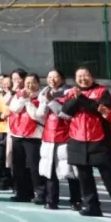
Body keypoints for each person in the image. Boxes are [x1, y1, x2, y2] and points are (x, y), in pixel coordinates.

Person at [61, 67, 111, 221]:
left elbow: (100, 110)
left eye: (86, 75)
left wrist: (82, 99)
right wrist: (76, 98)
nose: (83, 78)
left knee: (109, 176)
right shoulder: (72, 92)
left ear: (92, 77)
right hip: (77, 139)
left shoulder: (102, 91)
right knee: (84, 176)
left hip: (99, 140)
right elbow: (66, 110)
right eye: (79, 76)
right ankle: (91, 206)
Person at [37, 69, 80, 210]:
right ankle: (51, 200)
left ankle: (76, 200)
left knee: (70, 171)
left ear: (62, 79)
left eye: (55, 77)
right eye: (49, 77)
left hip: (66, 135)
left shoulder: (70, 93)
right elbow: (40, 115)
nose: (52, 80)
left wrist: (51, 102)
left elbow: (66, 114)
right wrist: (44, 102)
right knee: (49, 170)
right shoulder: (44, 93)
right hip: (49, 136)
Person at [8, 73, 45, 203]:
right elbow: (14, 109)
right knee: (19, 165)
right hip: (17, 134)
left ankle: (40, 193)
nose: (30, 85)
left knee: (34, 166)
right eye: (28, 82)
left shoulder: (42, 97)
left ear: (38, 84)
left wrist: (28, 101)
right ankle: (22, 192)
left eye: (33, 82)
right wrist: (23, 99)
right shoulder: (18, 95)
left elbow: (37, 116)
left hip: (34, 136)